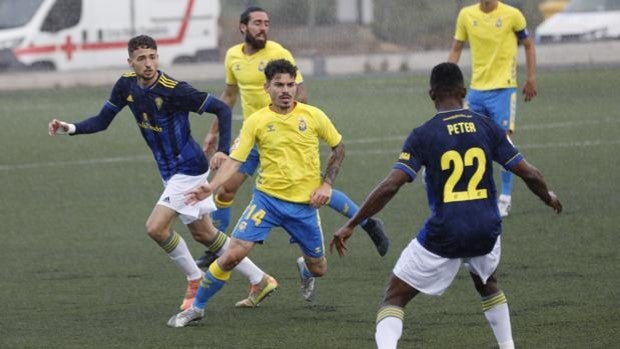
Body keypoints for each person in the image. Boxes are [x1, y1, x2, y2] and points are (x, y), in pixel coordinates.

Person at [330, 62, 562, 349]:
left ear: (432, 95)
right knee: (486, 282)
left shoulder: (423, 134)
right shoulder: (486, 126)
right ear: (464, 92)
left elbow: (391, 185)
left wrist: (352, 223)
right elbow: (529, 173)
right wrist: (547, 197)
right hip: (487, 230)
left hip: (446, 232)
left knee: (394, 297)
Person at [48, 35, 277, 311]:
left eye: (153, 57)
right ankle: (260, 279)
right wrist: (69, 127)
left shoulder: (173, 89)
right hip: (170, 172)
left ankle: (195, 279)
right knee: (205, 234)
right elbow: (102, 120)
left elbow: (220, 108)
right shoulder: (126, 84)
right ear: (130, 62)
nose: (148, 63)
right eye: (142, 58)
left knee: (156, 228)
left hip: (188, 168)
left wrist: (224, 150)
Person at [197, 6, 388, 267]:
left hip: (281, 135)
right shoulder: (232, 56)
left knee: (312, 191)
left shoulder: (279, 54)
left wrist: (292, 126)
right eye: (257, 23)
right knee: (227, 187)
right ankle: (217, 247)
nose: (263, 28)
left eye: (267, 23)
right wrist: (213, 131)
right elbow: (229, 95)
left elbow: (302, 94)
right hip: (253, 135)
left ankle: (368, 222)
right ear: (243, 27)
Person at [167, 58, 345, 327]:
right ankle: (196, 308)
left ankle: (304, 268)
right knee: (232, 255)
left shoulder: (313, 116)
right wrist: (212, 186)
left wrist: (326, 184)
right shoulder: (257, 121)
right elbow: (236, 160)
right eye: (279, 85)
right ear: (267, 88)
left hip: (304, 207)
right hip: (267, 202)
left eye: (290, 85)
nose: (286, 90)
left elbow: (339, 148)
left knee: (319, 268)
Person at [447, 0, 538, 217]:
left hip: (504, 90)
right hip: (476, 91)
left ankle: (505, 198)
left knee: (503, 141)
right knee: (471, 141)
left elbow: (528, 44)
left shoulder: (512, 15)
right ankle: (477, 195)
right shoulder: (466, 15)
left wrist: (531, 77)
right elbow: (456, 49)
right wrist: (446, 82)